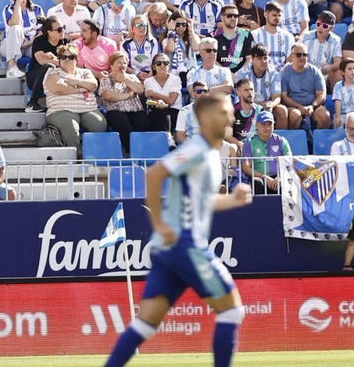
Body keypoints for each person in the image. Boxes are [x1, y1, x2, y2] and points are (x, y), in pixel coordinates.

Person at [103, 93, 252, 367]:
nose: (231, 117)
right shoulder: (196, 150)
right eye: (224, 112)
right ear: (206, 118)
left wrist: (232, 199)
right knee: (231, 311)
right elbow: (154, 174)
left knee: (146, 324)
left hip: (167, 250)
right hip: (186, 245)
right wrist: (158, 223)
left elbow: (199, 202)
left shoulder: (208, 154)